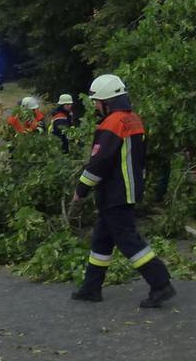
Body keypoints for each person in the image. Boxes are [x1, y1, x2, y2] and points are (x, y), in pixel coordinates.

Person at [70, 74, 176, 308]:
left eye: (97, 101)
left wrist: (81, 190)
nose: (96, 106)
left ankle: (161, 284)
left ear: (107, 100)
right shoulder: (133, 120)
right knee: (101, 240)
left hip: (116, 192)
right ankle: (91, 287)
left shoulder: (112, 123)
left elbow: (100, 162)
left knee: (129, 241)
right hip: (125, 190)